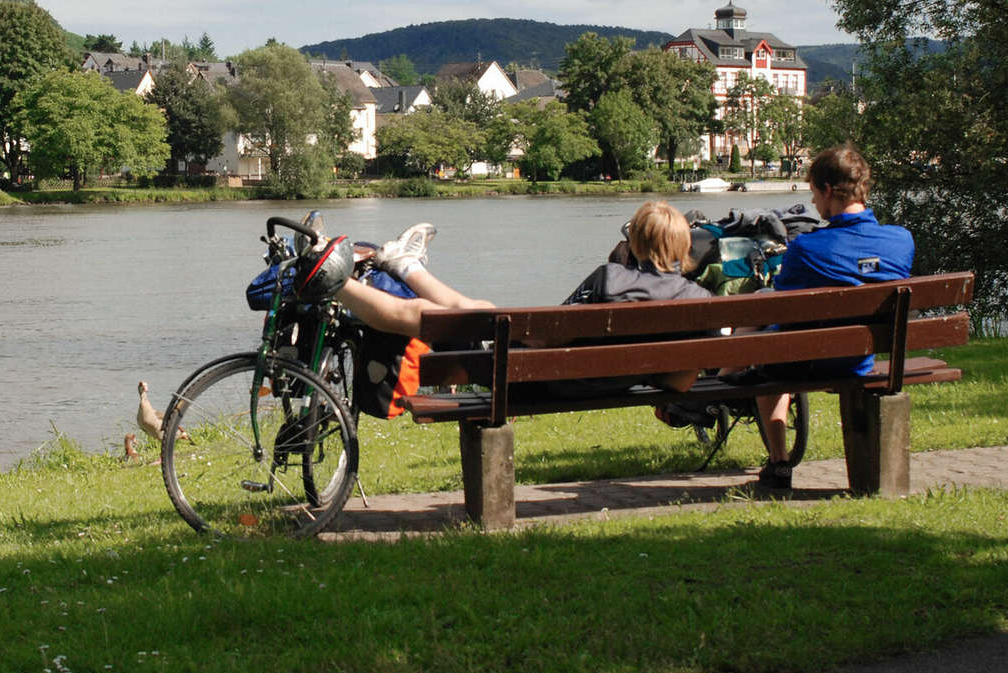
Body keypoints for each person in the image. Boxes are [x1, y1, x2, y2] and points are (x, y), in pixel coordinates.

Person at [326, 201, 711, 393]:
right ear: (683, 244)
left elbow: (547, 333)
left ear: (636, 241)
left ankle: (339, 281)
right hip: (598, 383)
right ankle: (403, 266)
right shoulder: (698, 300)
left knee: (439, 318)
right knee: (476, 312)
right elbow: (680, 381)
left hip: (538, 380)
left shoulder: (611, 278)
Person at [749, 143, 914, 489]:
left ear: (827, 190)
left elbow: (782, 302)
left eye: (813, 194)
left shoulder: (806, 249)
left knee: (771, 357)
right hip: (859, 361)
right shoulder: (901, 241)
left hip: (803, 362)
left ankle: (779, 462)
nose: (813, 204)